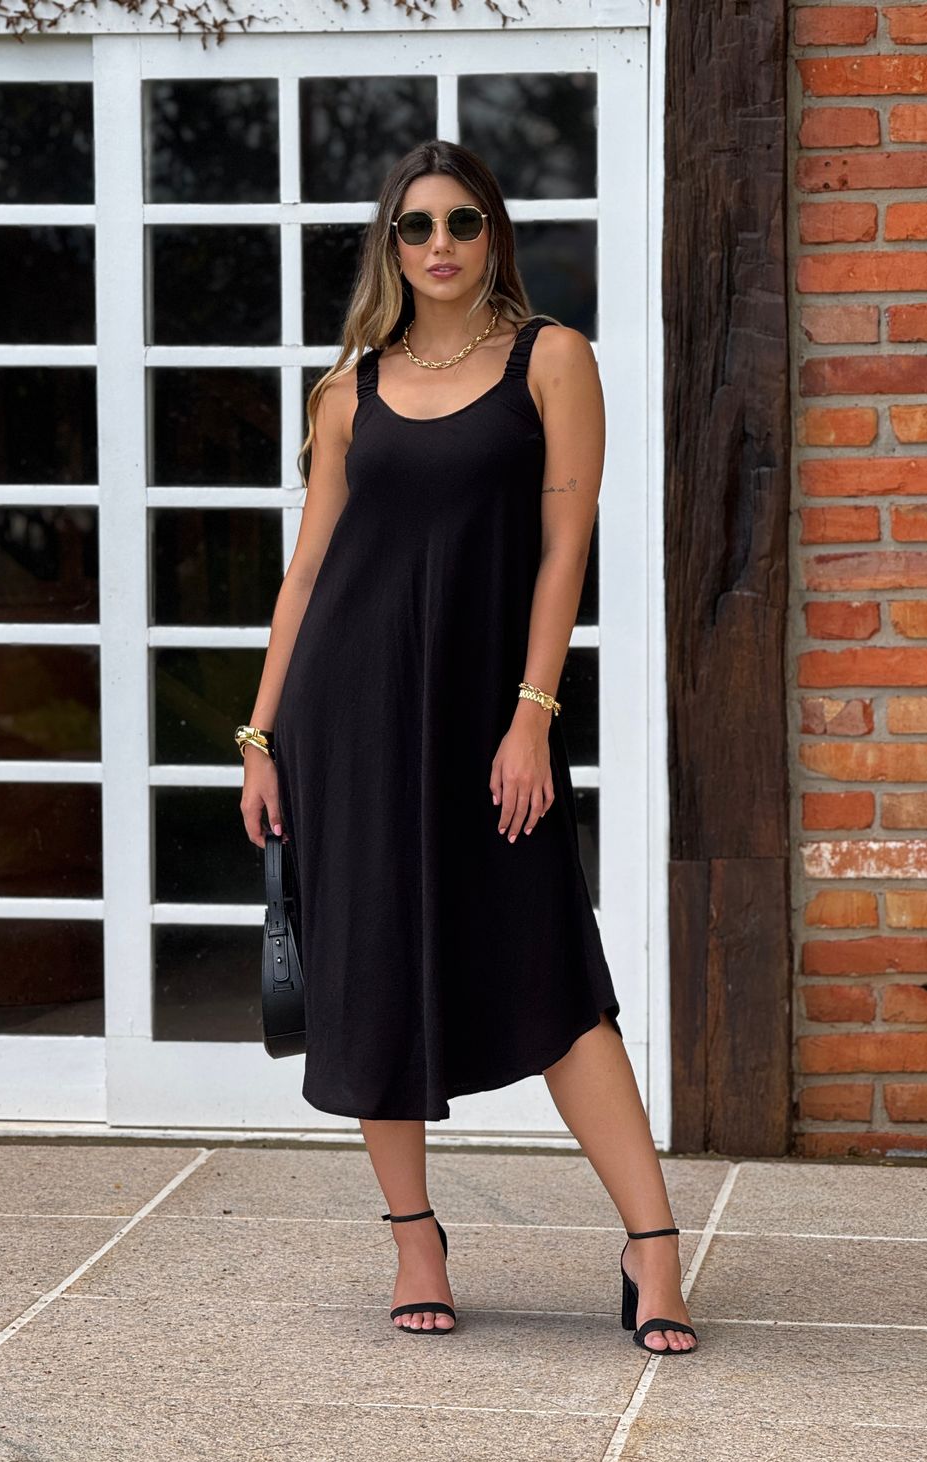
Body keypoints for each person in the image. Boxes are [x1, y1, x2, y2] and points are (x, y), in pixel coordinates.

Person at [237, 140, 698, 1355]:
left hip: (488, 716)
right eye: (414, 225)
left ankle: (652, 1246)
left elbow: (562, 546)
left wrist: (531, 712)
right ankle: (414, 1240)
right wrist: (258, 735)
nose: (437, 244)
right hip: (346, 715)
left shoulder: (551, 359)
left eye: (460, 221)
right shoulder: (348, 390)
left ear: (493, 233)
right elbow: (307, 573)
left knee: (552, 970)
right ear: (389, 246)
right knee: (369, 973)